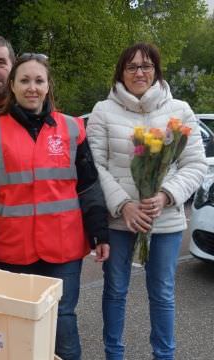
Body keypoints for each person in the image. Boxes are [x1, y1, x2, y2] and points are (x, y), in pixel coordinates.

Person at [0, 53, 110, 360]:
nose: (31, 87)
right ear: (12, 87)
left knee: (63, 321)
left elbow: (88, 185)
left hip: (63, 248)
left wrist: (99, 230)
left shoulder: (73, 129)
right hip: (11, 251)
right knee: (15, 327)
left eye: (38, 80)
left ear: (48, 86)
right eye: (24, 81)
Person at [86, 43, 207, 360]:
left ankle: (164, 355)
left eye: (146, 65)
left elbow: (194, 164)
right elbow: (94, 166)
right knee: (114, 290)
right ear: (121, 72)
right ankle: (114, 354)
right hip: (119, 221)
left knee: (163, 293)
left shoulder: (179, 110)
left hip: (163, 221)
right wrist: (124, 205)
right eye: (132, 66)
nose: (139, 72)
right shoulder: (103, 111)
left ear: (156, 69)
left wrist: (167, 194)